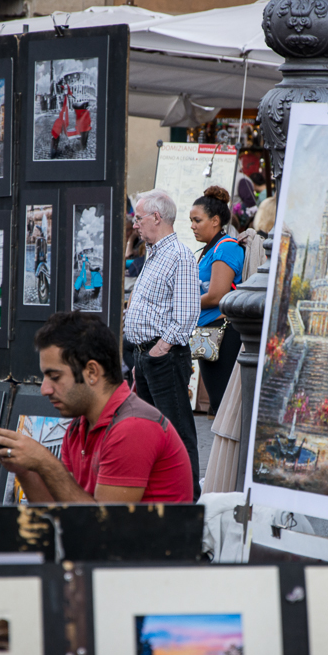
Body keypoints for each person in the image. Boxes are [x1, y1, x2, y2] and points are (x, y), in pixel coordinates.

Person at [0, 311, 193, 503]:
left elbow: (101, 529)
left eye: (55, 377)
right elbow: (59, 513)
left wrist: (45, 463)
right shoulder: (79, 427)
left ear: (92, 372)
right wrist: (26, 470)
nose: (45, 389)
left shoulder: (133, 428)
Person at [125, 189, 201, 495]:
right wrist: (140, 357)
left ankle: (187, 499)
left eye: (139, 218)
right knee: (151, 431)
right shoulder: (155, 253)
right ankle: (163, 493)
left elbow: (185, 315)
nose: (135, 224)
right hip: (146, 357)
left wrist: (159, 350)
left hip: (163, 356)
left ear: (157, 217)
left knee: (178, 432)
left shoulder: (179, 255)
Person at [190, 186, 244, 415]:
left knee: (222, 405)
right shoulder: (209, 249)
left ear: (215, 221)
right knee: (217, 402)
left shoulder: (227, 247)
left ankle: (229, 451)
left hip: (223, 332)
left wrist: (182, 303)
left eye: (197, 220)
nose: (192, 225)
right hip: (208, 331)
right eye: (191, 220)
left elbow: (216, 295)